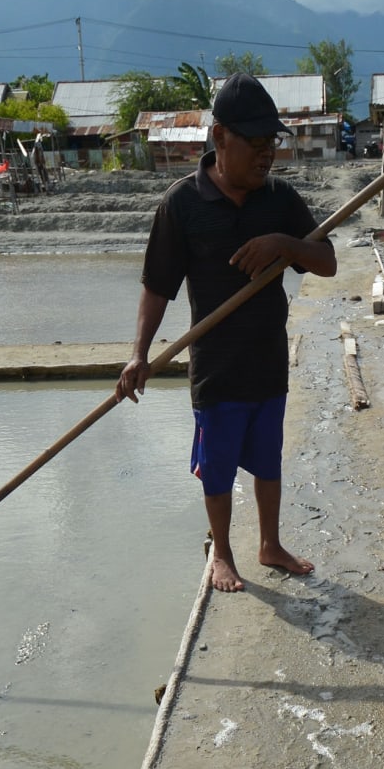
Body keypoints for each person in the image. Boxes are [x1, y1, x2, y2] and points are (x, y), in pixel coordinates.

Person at [115, 74, 337, 592]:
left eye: (271, 145)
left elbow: (325, 261)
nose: (266, 157)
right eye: (255, 145)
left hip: (267, 359)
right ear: (219, 138)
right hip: (215, 365)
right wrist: (138, 355)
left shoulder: (280, 199)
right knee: (216, 469)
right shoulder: (181, 204)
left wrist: (283, 243)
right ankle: (222, 554)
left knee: (267, 461)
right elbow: (157, 285)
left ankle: (270, 544)